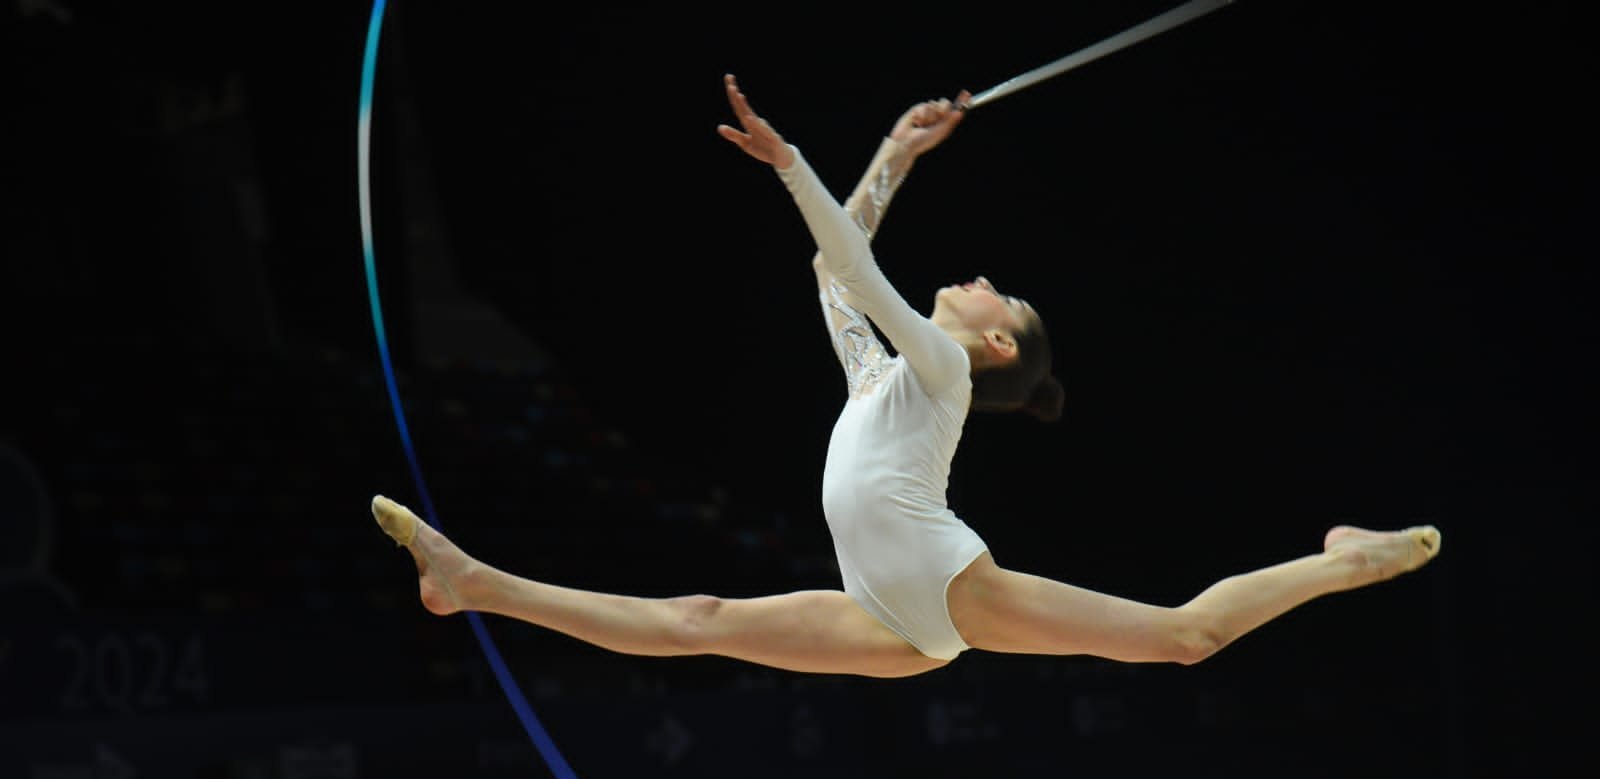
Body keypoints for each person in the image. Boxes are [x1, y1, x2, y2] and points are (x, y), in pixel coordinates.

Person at [370, 73, 1440, 680]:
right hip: (891, 621)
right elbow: (832, 277)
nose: (978, 277)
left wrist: (796, 166)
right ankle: (475, 587)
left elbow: (851, 265)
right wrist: (894, 151)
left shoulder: (940, 370)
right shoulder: (882, 379)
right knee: (693, 620)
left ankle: (1348, 560)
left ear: (997, 344)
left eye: (997, 293)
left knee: (1183, 636)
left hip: (942, 583)